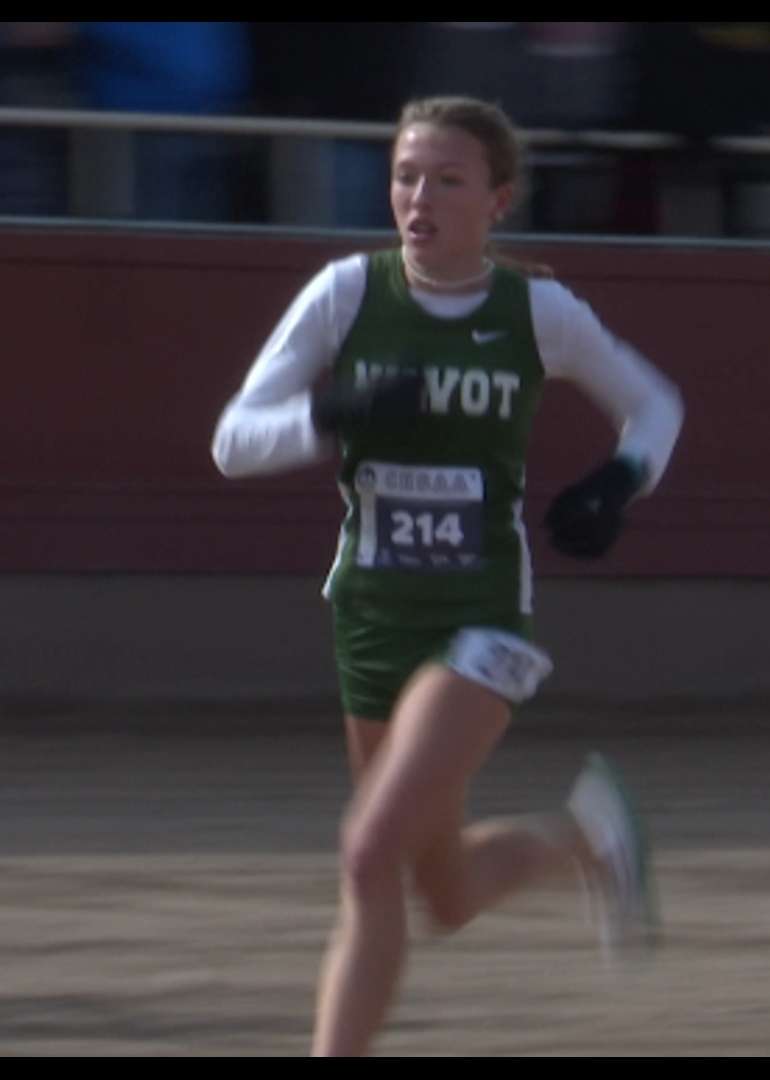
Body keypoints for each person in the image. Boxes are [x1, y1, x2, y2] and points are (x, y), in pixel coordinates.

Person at [210, 96, 683, 1056]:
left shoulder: (537, 313)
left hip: (482, 619)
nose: (418, 196)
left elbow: (655, 405)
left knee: (364, 851)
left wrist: (619, 480)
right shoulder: (346, 294)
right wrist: (335, 412)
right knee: (442, 892)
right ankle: (590, 839)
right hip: (373, 615)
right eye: (405, 176)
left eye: (447, 179)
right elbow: (232, 442)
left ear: (498, 199)